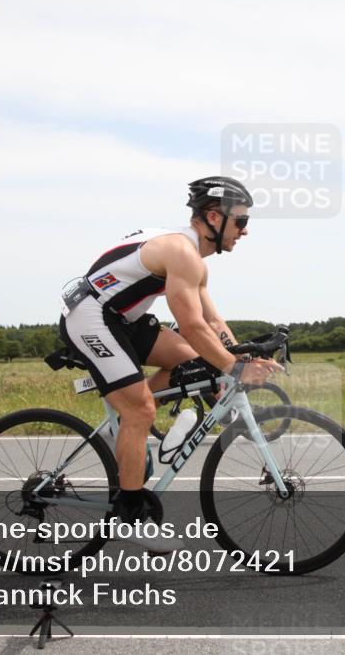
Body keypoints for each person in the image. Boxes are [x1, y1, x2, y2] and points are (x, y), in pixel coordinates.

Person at [59, 176, 283, 551]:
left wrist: (240, 352)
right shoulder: (182, 252)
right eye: (241, 221)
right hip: (91, 316)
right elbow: (192, 325)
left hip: (121, 318)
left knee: (194, 361)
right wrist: (235, 369)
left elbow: (212, 324)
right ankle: (128, 515)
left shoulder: (192, 258)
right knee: (140, 410)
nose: (245, 231)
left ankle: (126, 432)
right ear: (214, 217)